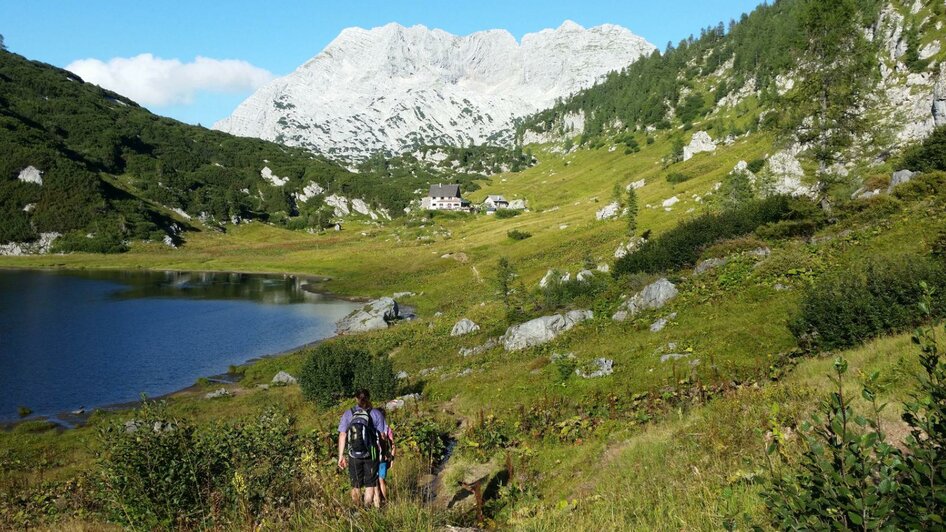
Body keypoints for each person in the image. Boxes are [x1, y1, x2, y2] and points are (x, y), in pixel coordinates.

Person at [337, 389, 388, 508]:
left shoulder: (348, 414)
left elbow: (342, 435)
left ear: (355, 399)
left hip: (353, 454)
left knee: (356, 485)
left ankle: (357, 510)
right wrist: (384, 452)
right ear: (369, 398)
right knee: (370, 485)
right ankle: (366, 509)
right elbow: (382, 436)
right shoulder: (376, 413)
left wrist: (340, 456)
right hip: (372, 454)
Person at [376, 410, 396, 503]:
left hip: (373, 459)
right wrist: (392, 459)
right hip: (384, 459)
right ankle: (385, 500)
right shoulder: (387, 429)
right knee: (381, 480)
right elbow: (393, 445)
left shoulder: (371, 428)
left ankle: (378, 501)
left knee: (375, 481)